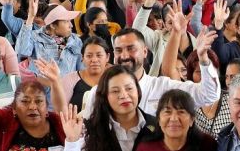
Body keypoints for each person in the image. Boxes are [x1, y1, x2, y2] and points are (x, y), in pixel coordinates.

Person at [81, 28, 220, 117]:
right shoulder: (99, 92)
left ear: (145, 52)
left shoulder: (164, 87)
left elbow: (209, 94)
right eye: (118, 50)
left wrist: (203, 58)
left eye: (131, 49)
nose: (124, 56)